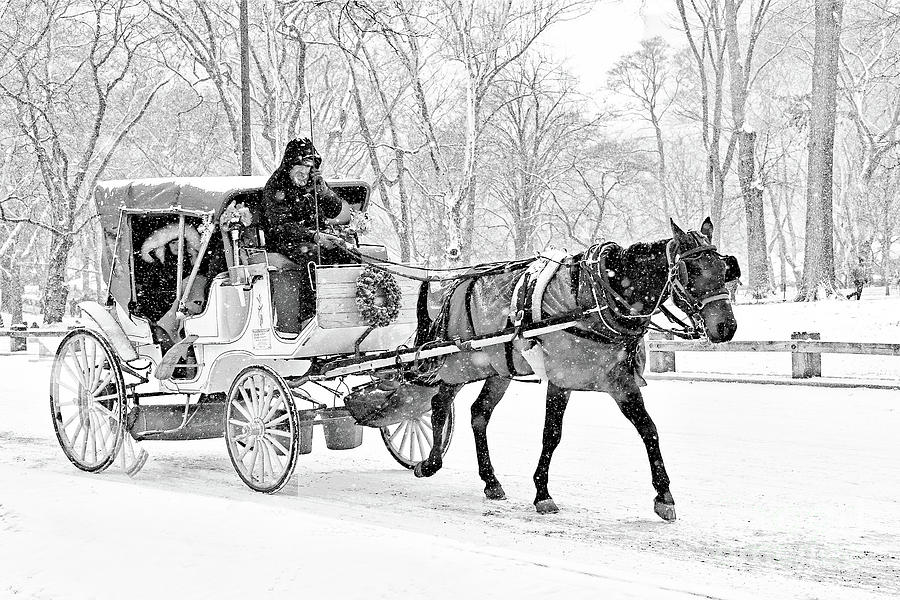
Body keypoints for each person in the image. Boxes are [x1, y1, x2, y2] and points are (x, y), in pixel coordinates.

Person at [259, 137, 351, 331]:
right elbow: (281, 227)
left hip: (317, 236)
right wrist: (314, 236)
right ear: (289, 165)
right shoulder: (276, 187)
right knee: (313, 256)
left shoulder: (313, 182)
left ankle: (346, 309)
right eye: (299, 166)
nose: (304, 172)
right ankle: (309, 316)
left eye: (309, 167)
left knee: (347, 253)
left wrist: (323, 190)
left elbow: (334, 210)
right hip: (285, 242)